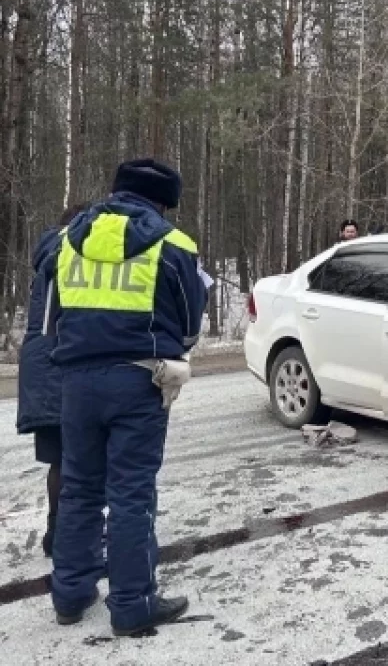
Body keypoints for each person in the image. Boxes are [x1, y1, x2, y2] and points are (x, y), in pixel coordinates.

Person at [44, 158, 208, 635]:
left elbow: (50, 318)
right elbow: (191, 325)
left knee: (79, 488)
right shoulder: (173, 244)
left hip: (76, 381)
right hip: (139, 380)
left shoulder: (67, 239)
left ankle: (71, 594)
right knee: (132, 494)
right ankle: (133, 605)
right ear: (163, 203)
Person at [16, 203, 86, 557]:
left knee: (60, 460)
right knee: (81, 458)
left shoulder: (47, 254)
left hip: (37, 364)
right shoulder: (73, 255)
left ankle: (55, 532)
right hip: (61, 363)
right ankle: (72, 536)